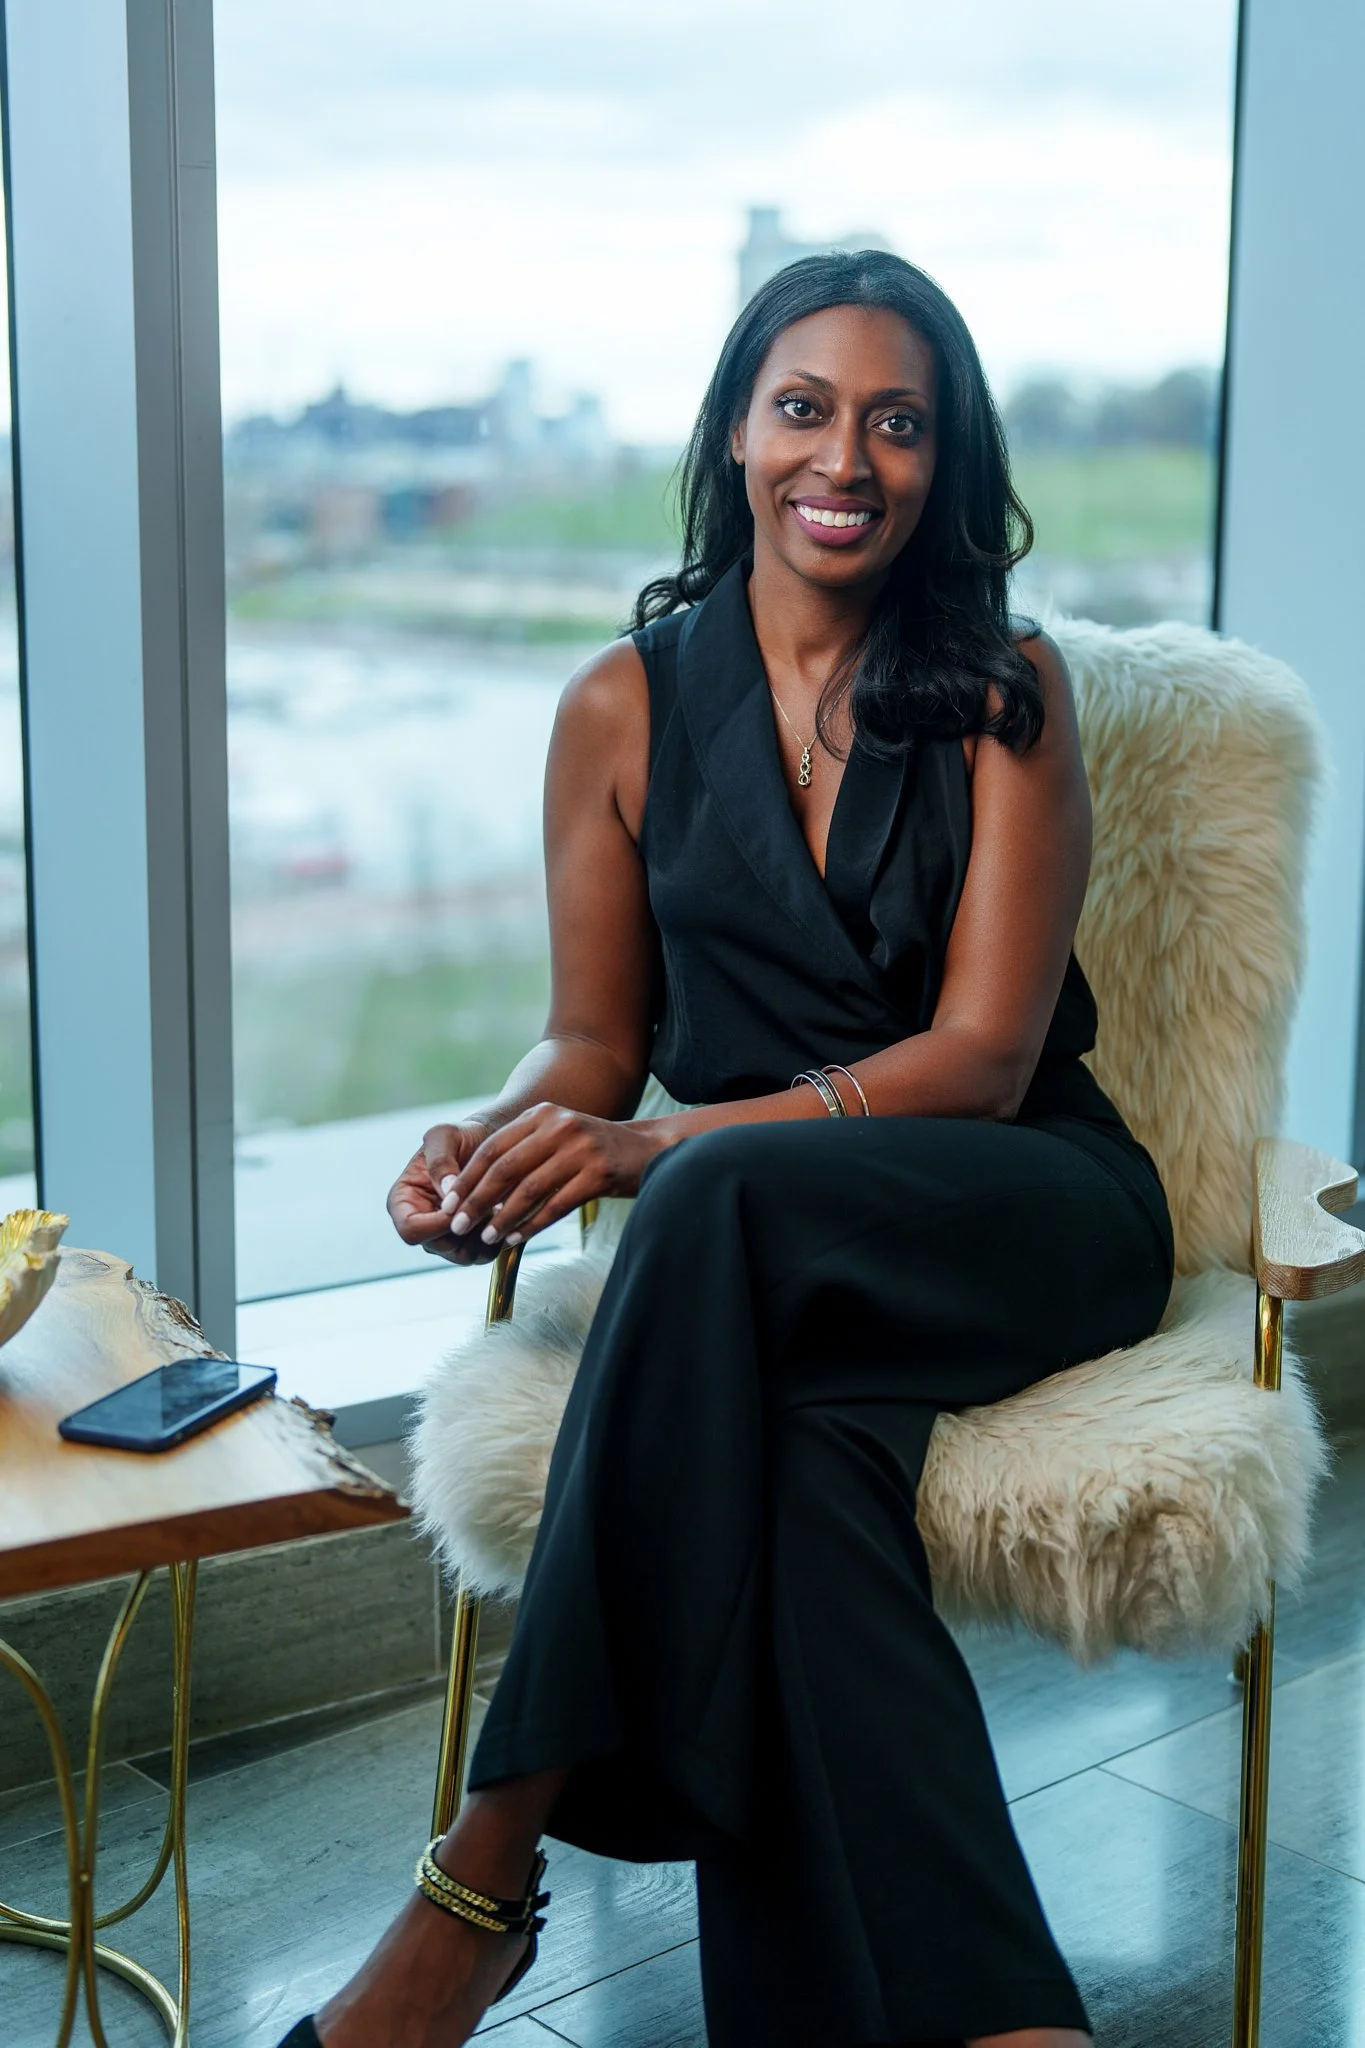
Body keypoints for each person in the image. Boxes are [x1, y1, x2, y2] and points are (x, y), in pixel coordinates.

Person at [278, 250, 1173, 2048]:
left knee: (712, 1188)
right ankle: (1010, 2021)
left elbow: (986, 1060)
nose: (846, 458)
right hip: (758, 1257)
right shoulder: (619, 705)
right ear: (737, 434)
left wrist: (660, 1147)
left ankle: (478, 1881)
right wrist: (507, 1133)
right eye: (805, 409)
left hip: (1019, 1211)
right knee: (798, 1471)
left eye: (898, 422)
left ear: (944, 461)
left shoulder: (1005, 687)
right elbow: (593, 1038)